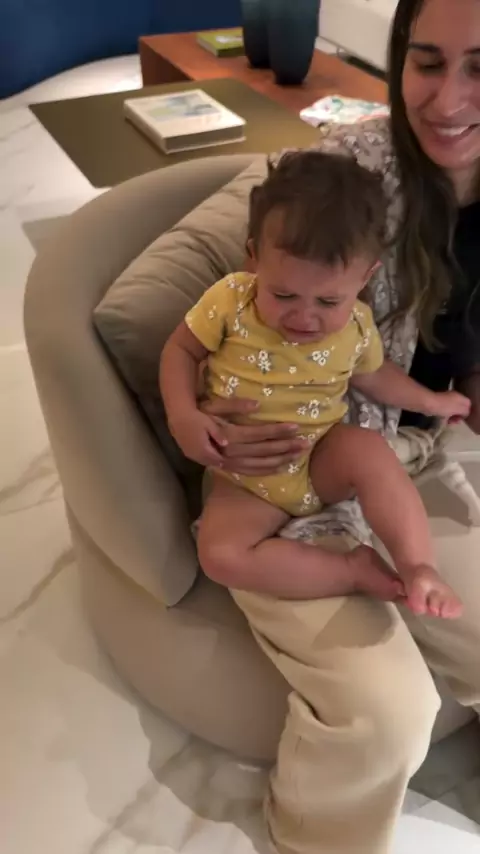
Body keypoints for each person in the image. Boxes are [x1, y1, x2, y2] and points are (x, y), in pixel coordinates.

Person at [169, 1, 480, 852]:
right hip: (281, 468)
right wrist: (192, 413)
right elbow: (191, 310)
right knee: (389, 716)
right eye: (427, 62)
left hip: (397, 451)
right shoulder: (347, 180)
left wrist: (451, 401)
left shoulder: (362, 328)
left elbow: (398, 366)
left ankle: (408, 568)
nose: (450, 98)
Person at [160, 149, 469, 619]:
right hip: (247, 480)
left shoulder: (357, 324)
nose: (304, 317)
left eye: (328, 301)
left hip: (322, 458)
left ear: (366, 277)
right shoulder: (230, 300)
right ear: (253, 257)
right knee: (219, 556)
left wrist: (433, 401)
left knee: (371, 453)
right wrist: (183, 415)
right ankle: (351, 571)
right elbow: (180, 351)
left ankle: (418, 566)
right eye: (283, 294)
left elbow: (375, 376)